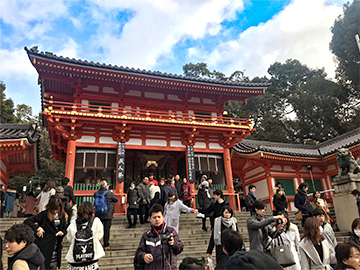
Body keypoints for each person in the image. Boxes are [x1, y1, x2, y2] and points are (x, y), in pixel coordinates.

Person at [135, 204, 184, 270]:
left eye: (159, 217)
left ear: (163, 217)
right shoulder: (146, 236)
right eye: (154, 217)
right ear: (150, 219)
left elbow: (180, 248)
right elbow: (138, 253)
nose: (157, 219)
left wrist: (173, 244)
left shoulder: (170, 232)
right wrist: (144, 256)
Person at [24, 195, 67, 270]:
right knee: (45, 266)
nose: (55, 212)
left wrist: (62, 232)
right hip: (45, 245)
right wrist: (38, 228)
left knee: (54, 266)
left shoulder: (61, 215)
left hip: (56, 246)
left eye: (57, 209)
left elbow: (65, 228)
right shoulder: (44, 215)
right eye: (53, 210)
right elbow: (28, 221)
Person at [65, 201, 105, 270]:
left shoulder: (74, 223)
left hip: (75, 258)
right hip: (91, 258)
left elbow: (69, 237)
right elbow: (99, 235)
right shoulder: (96, 221)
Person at [94, 180, 118, 251]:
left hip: (98, 214)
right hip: (107, 214)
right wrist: (111, 192)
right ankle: (106, 245)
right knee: (106, 230)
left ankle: (95, 243)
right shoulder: (109, 193)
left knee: (97, 230)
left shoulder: (96, 193)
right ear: (105, 186)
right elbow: (115, 200)